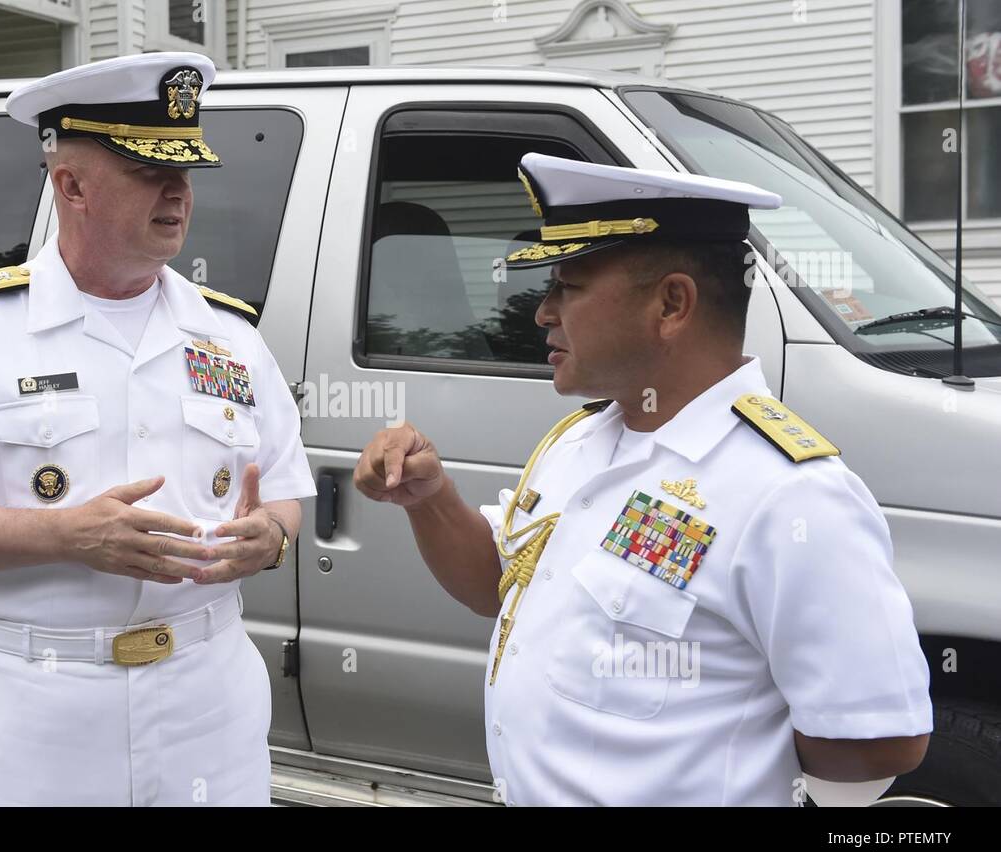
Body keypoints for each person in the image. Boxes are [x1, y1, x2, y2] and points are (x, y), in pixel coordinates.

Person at [353, 153, 932, 806]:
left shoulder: (790, 495)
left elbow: (878, 740)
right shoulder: (578, 441)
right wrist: (430, 502)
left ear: (672, 305)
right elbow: (497, 581)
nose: (543, 313)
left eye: (567, 287)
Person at [0, 52, 315, 806]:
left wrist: (272, 539)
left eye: (187, 170)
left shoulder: (231, 335)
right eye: (148, 170)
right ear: (70, 183)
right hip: (37, 717)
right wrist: (69, 536)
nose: (178, 191)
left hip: (208, 709)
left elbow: (287, 493)